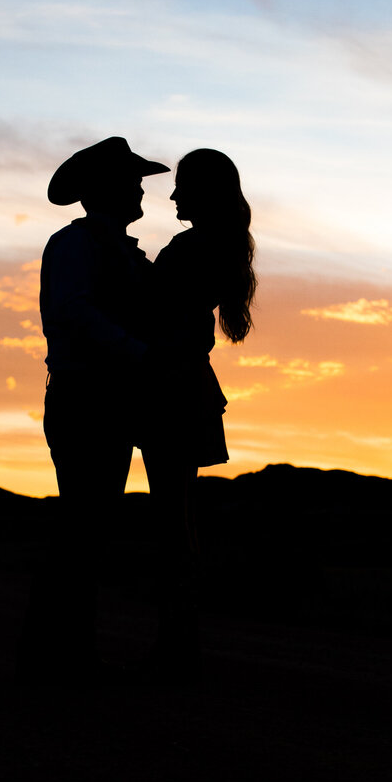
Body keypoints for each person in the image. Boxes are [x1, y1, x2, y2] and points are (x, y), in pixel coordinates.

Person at [19, 135, 169, 682]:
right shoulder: (78, 245)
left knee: (87, 529)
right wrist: (141, 355)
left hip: (101, 399)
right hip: (86, 399)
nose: (140, 191)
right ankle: (56, 657)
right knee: (81, 529)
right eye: (132, 181)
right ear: (108, 188)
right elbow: (75, 313)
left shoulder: (108, 248)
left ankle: (61, 655)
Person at [139, 148, 257, 675]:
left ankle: (176, 645)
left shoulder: (192, 248)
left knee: (172, 520)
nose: (173, 195)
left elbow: (151, 309)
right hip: (187, 386)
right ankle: (179, 640)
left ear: (204, 192)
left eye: (182, 185)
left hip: (172, 388)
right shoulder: (218, 247)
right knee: (177, 518)